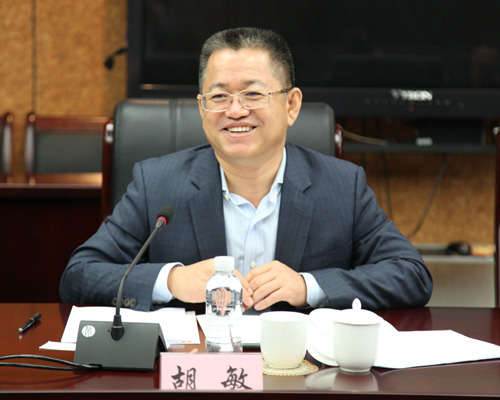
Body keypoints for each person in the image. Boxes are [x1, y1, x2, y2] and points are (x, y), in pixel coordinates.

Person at [59, 27, 432, 313]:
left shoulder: (341, 186)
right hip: (197, 369)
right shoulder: (156, 185)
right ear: (202, 108)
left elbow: (411, 275)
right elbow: (79, 275)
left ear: (291, 105)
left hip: (301, 371)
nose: (235, 111)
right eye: (219, 96)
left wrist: (308, 286)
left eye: (253, 94)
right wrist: (173, 280)